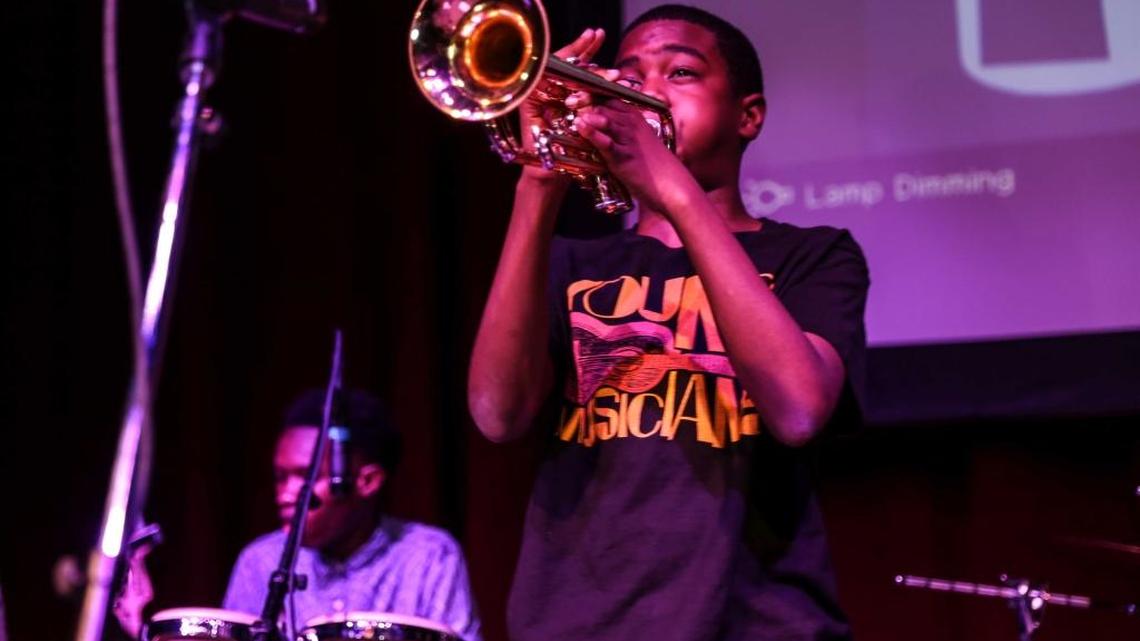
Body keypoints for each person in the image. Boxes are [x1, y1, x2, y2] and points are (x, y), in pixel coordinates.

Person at [467, 5, 868, 641]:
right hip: (577, 622)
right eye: (627, 74)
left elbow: (798, 410)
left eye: (679, 72)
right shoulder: (574, 262)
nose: (642, 91)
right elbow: (497, 413)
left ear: (748, 115)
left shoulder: (812, 255)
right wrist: (537, 182)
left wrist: (676, 190)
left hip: (755, 623)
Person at [223, 389, 482, 641]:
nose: (286, 495)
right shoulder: (259, 562)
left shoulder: (431, 556)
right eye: (281, 478)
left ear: (367, 481)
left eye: (306, 477)